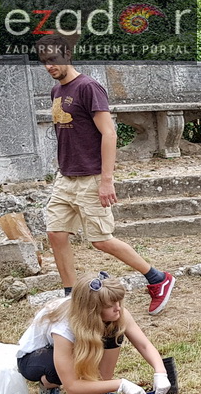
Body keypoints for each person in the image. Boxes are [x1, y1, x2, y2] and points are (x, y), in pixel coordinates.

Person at [36, 34, 175, 314]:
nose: (49, 66)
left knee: (101, 240)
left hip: (91, 176)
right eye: (44, 62)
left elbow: (109, 133)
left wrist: (106, 180)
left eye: (53, 59)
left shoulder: (88, 87)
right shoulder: (57, 92)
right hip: (66, 177)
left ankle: (158, 279)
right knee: (56, 233)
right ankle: (70, 295)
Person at [16, 271, 171, 394]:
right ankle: (48, 386)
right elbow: (72, 387)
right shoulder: (64, 327)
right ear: (92, 309)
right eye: (111, 306)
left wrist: (160, 372)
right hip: (36, 358)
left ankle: (101, 392)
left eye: (119, 302)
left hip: (75, 347)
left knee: (114, 330)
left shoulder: (116, 313)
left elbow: (144, 345)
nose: (118, 308)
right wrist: (121, 384)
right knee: (55, 370)